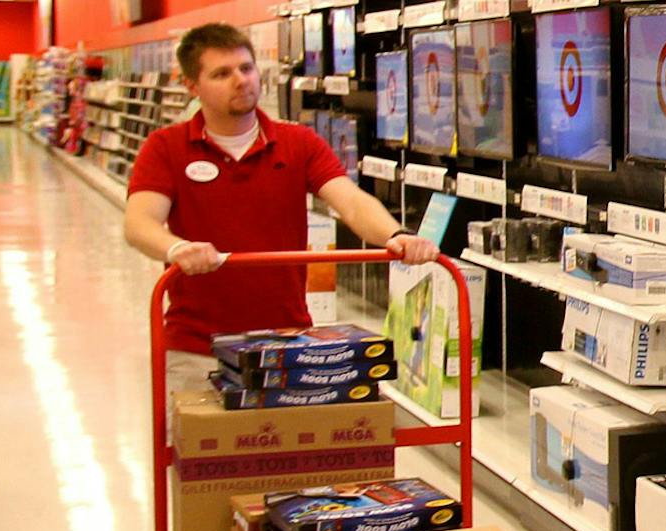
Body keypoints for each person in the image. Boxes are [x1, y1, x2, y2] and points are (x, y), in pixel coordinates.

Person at [124, 22, 439, 391]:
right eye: (221, 74)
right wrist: (176, 248)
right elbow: (139, 222)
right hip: (195, 350)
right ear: (192, 86)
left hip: (286, 344)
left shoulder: (298, 142)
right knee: (195, 449)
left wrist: (396, 234)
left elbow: (350, 201)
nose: (240, 80)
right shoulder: (166, 147)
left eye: (246, 68)